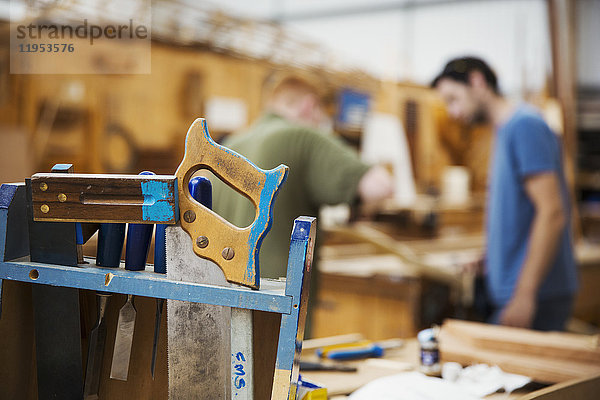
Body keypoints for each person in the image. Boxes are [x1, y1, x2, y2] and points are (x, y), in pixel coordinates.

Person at [212, 74, 394, 333]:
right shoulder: (302, 136)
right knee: (282, 373)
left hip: (225, 304)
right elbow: (380, 186)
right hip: (279, 310)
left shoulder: (230, 146)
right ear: (309, 106)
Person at [432, 57, 577, 331]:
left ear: (477, 81)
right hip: (519, 292)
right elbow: (523, 213)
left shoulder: (524, 125)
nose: (452, 111)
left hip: (534, 296)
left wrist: (524, 295)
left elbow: (552, 212)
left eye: (454, 98)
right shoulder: (505, 131)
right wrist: (492, 256)